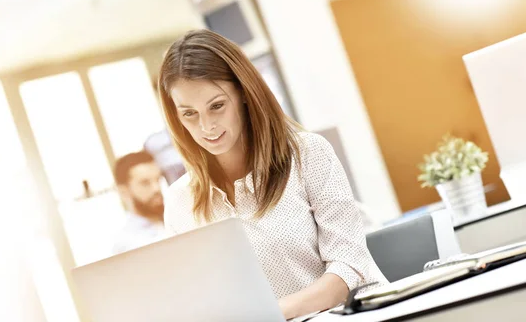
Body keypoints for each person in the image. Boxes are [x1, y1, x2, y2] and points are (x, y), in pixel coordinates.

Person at [157, 29, 387, 320]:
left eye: (216, 106)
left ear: (243, 93)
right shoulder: (180, 201)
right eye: (189, 113)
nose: (207, 126)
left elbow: (349, 268)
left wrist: (269, 314)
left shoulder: (308, 154)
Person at [112, 150, 165, 254]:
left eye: (158, 180)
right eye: (145, 183)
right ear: (124, 191)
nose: (156, 188)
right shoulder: (126, 245)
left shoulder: (178, 217)